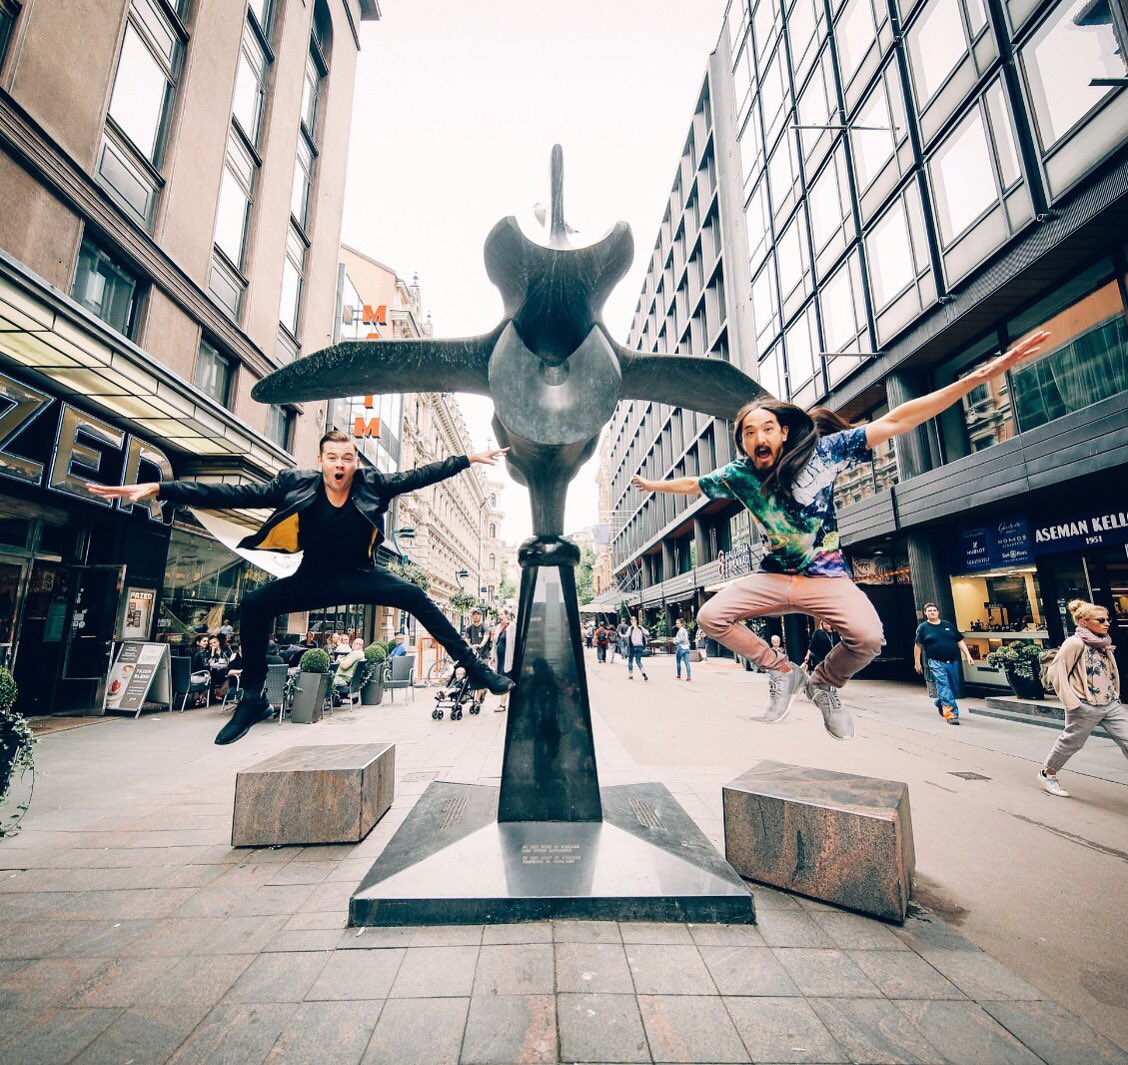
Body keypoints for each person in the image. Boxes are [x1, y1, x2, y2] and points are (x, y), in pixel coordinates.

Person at [631, 329, 1049, 739]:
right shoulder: (738, 475)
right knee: (710, 616)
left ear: (784, 432)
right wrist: (654, 487)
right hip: (773, 577)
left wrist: (979, 376)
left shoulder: (826, 453)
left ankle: (824, 683)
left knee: (869, 637)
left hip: (826, 577)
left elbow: (899, 419)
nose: (758, 437)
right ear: (742, 442)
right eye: (748, 432)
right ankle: (783, 671)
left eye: (766, 429)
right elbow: (695, 483)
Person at [88, 431, 515, 744]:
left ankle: (477, 672)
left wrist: (467, 459)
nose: (341, 465)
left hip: (362, 574)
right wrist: (164, 487)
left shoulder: (372, 485)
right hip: (313, 578)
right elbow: (232, 494)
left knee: (417, 598)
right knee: (255, 605)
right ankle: (253, 697)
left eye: (348, 457)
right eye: (333, 458)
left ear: (354, 462)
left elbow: (420, 475)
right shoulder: (294, 485)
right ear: (322, 460)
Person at [1040, 599, 1128, 797]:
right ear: (1084, 622)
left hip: (1110, 703)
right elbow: (1056, 671)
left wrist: (1115, 694)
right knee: (1072, 742)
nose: (1106, 623)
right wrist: (1072, 703)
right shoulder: (1074, 643)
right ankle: (1048, 773)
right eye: (1100, 620)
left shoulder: (1104, 642)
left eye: (1107, 619)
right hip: (1085, 704)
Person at [914, 604, 973, 725]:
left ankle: (939, 702)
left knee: (952, 687)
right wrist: (917, 662)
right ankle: (951, 714)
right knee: (943, 685)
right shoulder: (923, 628)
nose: (932, 612)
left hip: (952, 661)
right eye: (929, 611)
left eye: (934, 610)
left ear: (938, 612)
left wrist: (968, 655)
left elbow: (959, 640)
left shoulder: (948, 625)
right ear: (925, 613)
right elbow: (918, 645)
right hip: (936, 661)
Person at [465, 608, 492, 705]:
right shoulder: (469, 628)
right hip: (473, 656)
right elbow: (467, 638)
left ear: (480, 616)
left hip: (483, 655)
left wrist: (481, 644)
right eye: (474, 614)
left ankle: (477, 699)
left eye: (478, 614)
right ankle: (481, 691)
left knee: (480, 675)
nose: (476, 616)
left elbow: (486, 637)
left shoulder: (484, 627)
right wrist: (470, 646)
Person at [493, 608, 515, 712]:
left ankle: (502, 704)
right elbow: (495, 643)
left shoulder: (511, 626)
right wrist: (492, 656)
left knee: (505, 680)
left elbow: (514, 642)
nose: (500, 616)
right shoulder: (498, 627)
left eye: (502, 614)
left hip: (508, 659)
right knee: (502, 679)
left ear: (507, 615)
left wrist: (514, 658)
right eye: (499, 615)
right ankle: (503, 703)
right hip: (499, 659)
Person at [333, 637, 366, 704]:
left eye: (355, 643)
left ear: (360, 645)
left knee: (324, 680)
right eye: (353, 643)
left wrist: (339, 660)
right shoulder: (361, 654)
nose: (353, 645)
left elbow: (344, 666)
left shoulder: (356, 653)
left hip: (342, 678)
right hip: (348, 679)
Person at [626, 616, 649, 681]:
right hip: (640, 646)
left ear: (631, 621)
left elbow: (626, 635)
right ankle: (643, 672)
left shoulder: (630, 628)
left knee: (630, 660)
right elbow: (647, 632)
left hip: (632, 646)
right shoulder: (640, 627)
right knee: (638, 661)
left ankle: (631, 675)